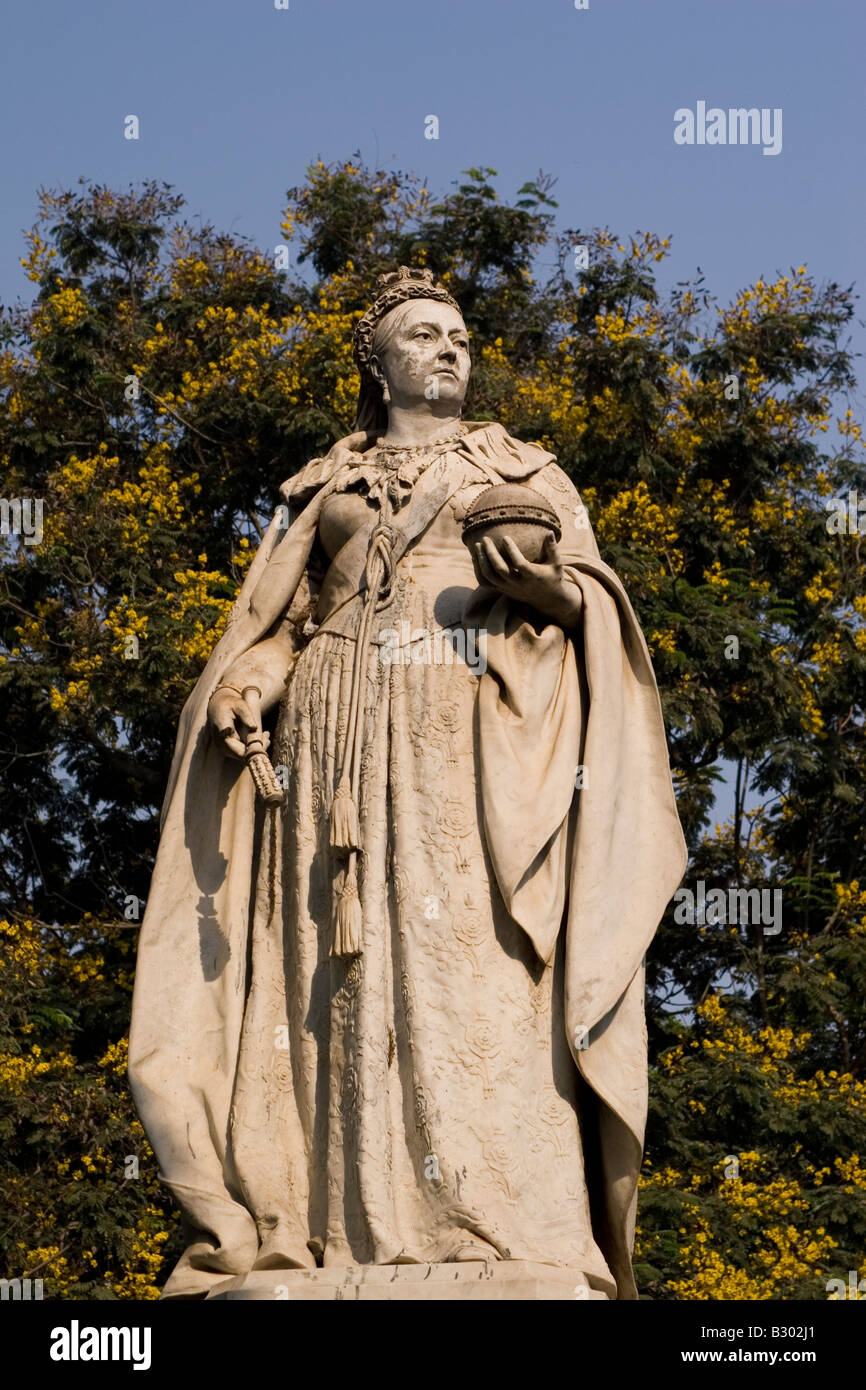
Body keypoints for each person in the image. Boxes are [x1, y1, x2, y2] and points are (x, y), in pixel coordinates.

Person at [129, 266, 687, 1299]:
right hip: (333, 744)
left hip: (470, 739)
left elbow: (589, 602)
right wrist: (248, 683)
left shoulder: (523, 469)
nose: (448, 350)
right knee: (333, 980)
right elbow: (279, 628)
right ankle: (339, 1223)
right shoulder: (325, 485)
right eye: (424, 334)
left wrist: (544, 589)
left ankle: (504, 1220)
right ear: (375, 362)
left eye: (460, 336)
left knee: (471, 962)